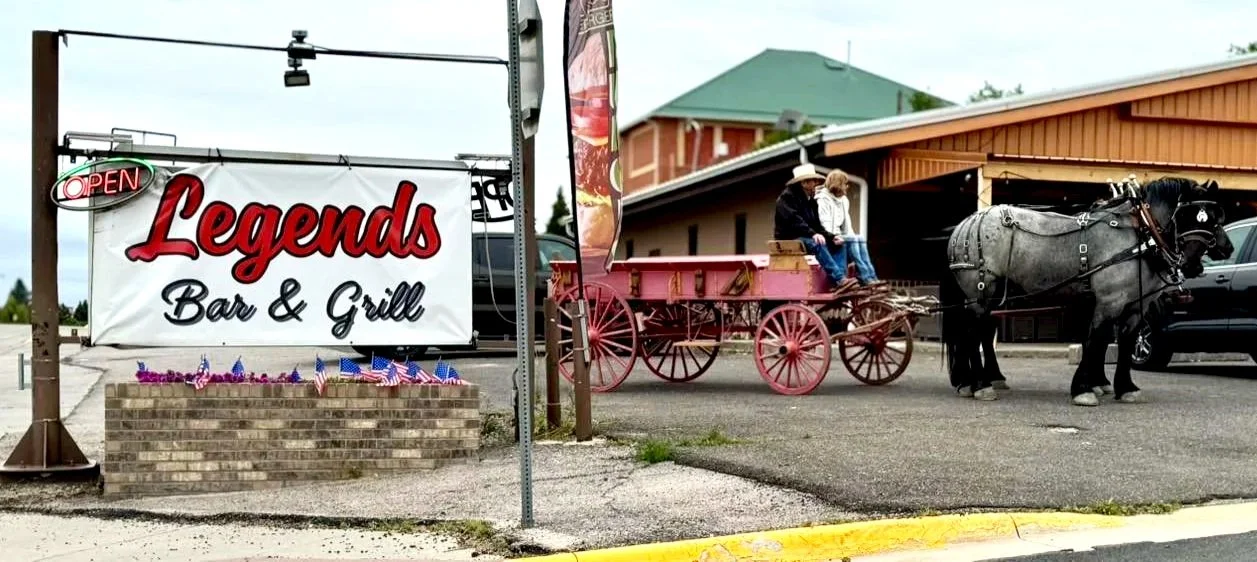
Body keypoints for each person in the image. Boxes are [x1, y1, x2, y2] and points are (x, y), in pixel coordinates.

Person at [773, 163, 857, 292]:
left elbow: (817, 225)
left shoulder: (811, 201)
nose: (817, 184)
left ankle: (838, 283)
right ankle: (839, 279)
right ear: (804, 183)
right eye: (814, 181)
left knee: (840, 244)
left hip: (806, 236)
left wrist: (832, 237)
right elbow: (795, 221)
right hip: (789, 238)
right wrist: (813, 234)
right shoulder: (786, 198)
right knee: (817, 242)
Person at [816, 169, 882, 287]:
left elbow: (847, 225)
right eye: (845, 184)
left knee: (859, 237)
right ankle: (865, 277)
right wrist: (834, 237)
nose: (847, 187)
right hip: (828, 237)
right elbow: (824, 223)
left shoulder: (843, 201)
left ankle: (872, 276)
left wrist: (850, 236)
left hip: (840, 235)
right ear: (838, 184)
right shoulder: (822, 199)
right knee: (852, 238)